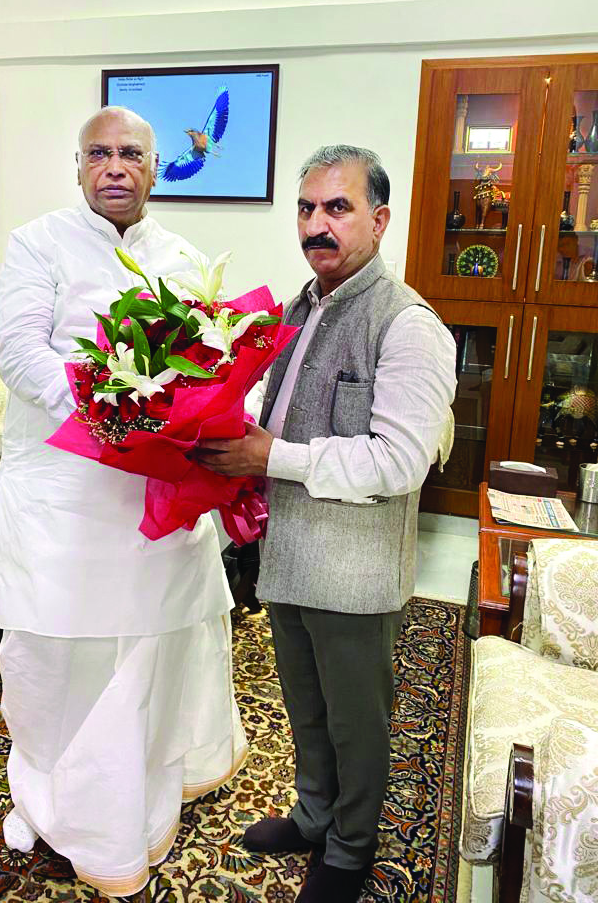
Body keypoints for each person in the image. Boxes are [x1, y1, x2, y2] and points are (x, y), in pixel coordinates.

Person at [0, 107, 247, 897]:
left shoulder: (183, 257)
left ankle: (143, 796)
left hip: (154, 501)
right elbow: (19, 352)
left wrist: (195, 418)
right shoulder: (37, 244)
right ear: (78, 165)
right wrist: (108, 412)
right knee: (55, 657)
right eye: (99, 154)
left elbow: (208, 362)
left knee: (154, 646)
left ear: (154, 170)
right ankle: (53, 796)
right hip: (63, 495)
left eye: (131, 155)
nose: (115, 167)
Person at [197, 145, 456, 902]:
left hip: (352, 567)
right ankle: (314, 816)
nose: (318, 224)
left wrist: (269, 455)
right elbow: (280, 411)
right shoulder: (298, 306)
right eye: (307, 208)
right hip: (288, 552)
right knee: (304, 705)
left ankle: (349, 848)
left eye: (338, 207)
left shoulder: (407, 325)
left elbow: (398, 462)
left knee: (355, 721)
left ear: (379, 220)